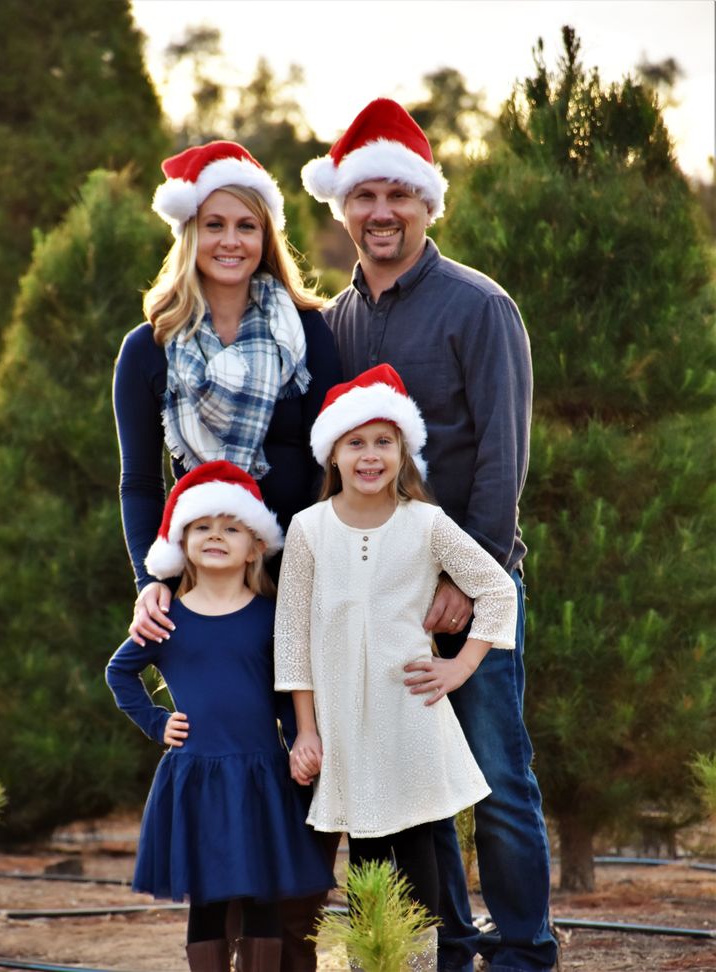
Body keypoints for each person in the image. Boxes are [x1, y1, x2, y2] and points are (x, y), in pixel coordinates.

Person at [300, 100, 558, 972]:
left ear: (427, 205)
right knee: (413, 787)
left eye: (399, 195)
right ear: (342, 208)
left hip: (472, 589)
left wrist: (463, 578)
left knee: (497, 781)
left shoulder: (478, 307)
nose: (381, 211)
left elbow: (500, 459)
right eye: (364, 194)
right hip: (383, 598)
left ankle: (525, 951)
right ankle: (447, 944)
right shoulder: (335, 320)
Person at [112, 140, 343, 970]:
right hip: (210, 570)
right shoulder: (149, 348)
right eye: (215, 223)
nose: (231, 240)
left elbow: (332, 460)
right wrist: (153, 578)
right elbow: (142, 482)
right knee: (223, 776)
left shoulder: (307, 334)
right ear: (190, 232)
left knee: (297, 774)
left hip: (297, 575)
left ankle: (295, 956)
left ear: (268, 233)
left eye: (248, 223)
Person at [274, 365, 518, 972]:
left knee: (416, 852)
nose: (370, 455)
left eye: (384, 441)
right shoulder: (308, 530)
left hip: (407, 720)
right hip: (342, 727)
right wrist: (306, 730)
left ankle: (416, 964)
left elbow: (497, 590)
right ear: (332, 453)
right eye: (355, 442)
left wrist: (460, 667)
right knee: (366, 854)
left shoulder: (424, 523)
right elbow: (292, 636)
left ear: (403, 451)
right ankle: (372, 963)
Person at [106, 460, 334, 971]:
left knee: (263, 897)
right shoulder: (167, 620)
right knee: (207, 900)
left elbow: (285, 689)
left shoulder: (269, 616)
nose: (216, 536)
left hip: (262, 778)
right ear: (181, 543)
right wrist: (156, 721)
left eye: (232, 527)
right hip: (197, 779)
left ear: (256, 547)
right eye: (202, 527)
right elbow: (119, 674)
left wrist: (302, 739)